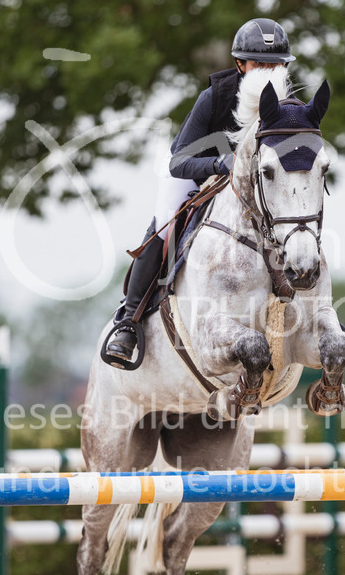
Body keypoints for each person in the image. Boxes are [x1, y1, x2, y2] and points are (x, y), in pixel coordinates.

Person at [105, 18, 296, 367]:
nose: (269, 71)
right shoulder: (215, 97)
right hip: (195, 171)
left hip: (254, 183)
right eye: (259, 63)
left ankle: (313, 312)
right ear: (240, 64)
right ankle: (129, 322)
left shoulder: (288, 102)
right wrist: (220, 165)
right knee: (166, 224)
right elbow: (180, 162)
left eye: (276, 63)